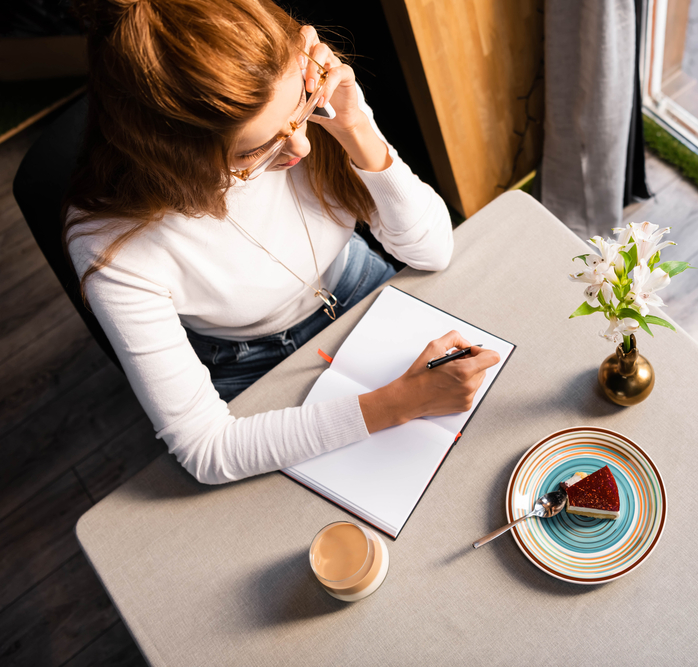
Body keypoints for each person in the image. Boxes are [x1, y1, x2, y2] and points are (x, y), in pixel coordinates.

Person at [64, 0, 501, 484]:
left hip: (356, 282)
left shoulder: (313, 107)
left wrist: (354, 125)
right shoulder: (110, 244)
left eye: (299, 113)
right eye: (253, 150)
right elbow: (206, 449)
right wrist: (402, 402)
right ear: (174, 155)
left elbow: (432, 250)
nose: (302, 148)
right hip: (247, 357)